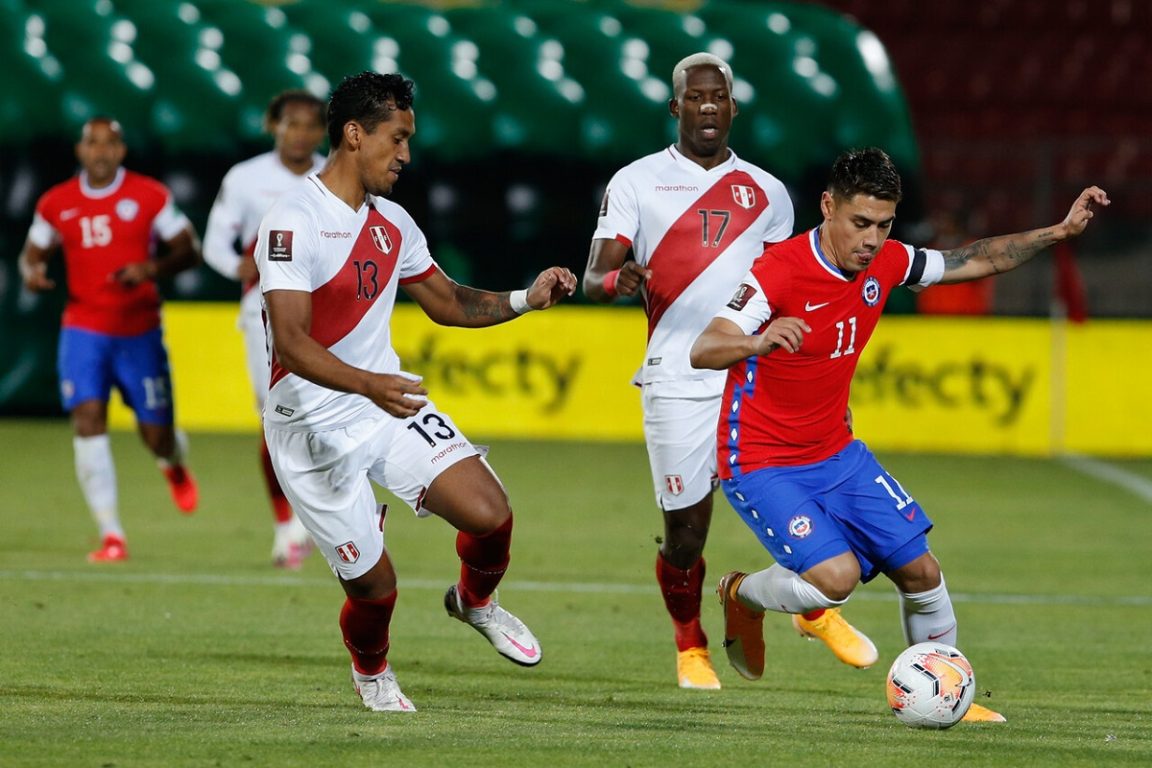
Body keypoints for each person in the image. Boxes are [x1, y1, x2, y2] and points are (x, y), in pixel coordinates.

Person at [690, 146, 1109, 722]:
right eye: (860, 223)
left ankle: (946, 696)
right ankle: (742, 594)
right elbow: (705, 347)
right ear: (827, 206)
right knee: (834, 581)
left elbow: (973, 259)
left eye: (883, 225)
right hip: (760, 459)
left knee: (922, 572)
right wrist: (756, 341)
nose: (871, 239)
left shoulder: (887, 261)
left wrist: (1059, 232)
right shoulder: (778, 271)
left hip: (837, 452)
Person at [256, 71, 578, 712]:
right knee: (375, 589)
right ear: (354, 135)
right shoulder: (292, 221)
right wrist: (371, 383)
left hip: (383, 404)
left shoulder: (393, 223)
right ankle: (372, 671)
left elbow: (450, 301)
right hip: (310, 424)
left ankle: (475, 601)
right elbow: (291, 343)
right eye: (396, 139)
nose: (406, 155)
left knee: (491, 512)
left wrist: (525, 298)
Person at [583, 52, 876, 690]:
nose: (708, 106)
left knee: (795, 501)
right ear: (675, 107)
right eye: (695, 97)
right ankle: (690, 646)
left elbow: (799, 290)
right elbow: (593, 273)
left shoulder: (769, 194)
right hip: (675, 376)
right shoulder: (635, 181)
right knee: (686, 533)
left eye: (718, 96)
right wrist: (616, 277)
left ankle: (814, 609)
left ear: (734, 106)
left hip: (754, 375)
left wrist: (822, 382)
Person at [18, 116, 202, 563]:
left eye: (110, 144)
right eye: (92, 144)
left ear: (121, 151)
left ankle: (172, 463)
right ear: (80, 151)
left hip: (139, 331)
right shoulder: (56, 203)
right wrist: (33, 272)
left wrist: (150, 269)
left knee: (156, 435)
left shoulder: (150, 196)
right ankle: (111, 533)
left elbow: (188, 250)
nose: (100, 152)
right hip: (83, 328)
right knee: (87, 417)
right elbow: (32, 253)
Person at [203, 90, 327, 569]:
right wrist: (235, 266)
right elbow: (216, 240)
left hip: (327, 313)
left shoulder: (334, 177)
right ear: (272, 125)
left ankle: (317, 520)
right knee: (276, 419)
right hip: (265, 313)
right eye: (291, 124)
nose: (300, 134)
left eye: (311, 125)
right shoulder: (246, 178)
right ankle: (285, 527)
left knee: (326, 419)